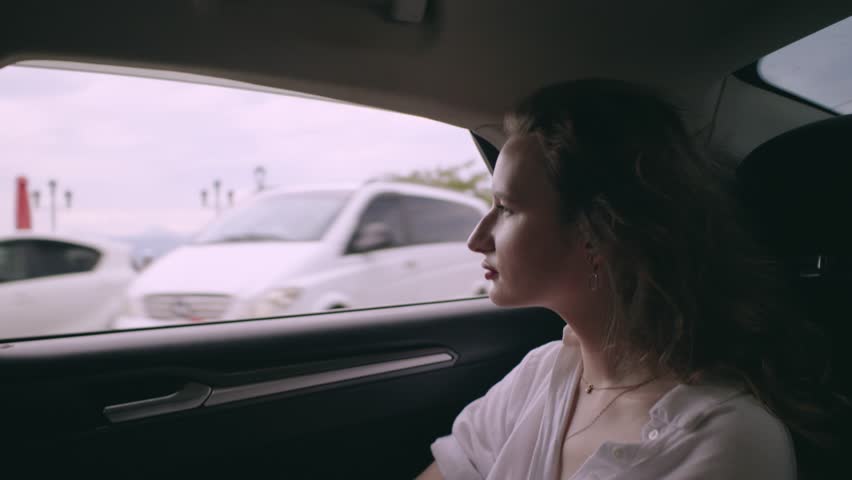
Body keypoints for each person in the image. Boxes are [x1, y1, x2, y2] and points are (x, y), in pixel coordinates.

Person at [417, 79, 838, 479]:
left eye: (506, 207)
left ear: (597, 233)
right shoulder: (542, 375)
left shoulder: (722, 439)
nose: (477, 239)